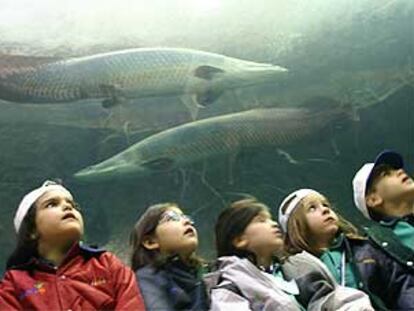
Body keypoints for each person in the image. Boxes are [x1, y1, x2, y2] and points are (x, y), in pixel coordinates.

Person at [206, 197, 373, 311]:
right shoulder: (229, 285)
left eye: (271, 219)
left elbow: (329, 298)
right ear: (239, 240)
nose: (272, 224)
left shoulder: (299, 265)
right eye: (261, 220)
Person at [0, 180, 145, 310]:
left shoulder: (108, 264)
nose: (67, 207)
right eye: (52, 204)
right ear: (31, 230)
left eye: (73, 205)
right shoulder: (14, 282)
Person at [279, 188, 414, 310]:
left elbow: (400, 287)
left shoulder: (366, 248)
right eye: (312, 208)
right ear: (296, 226)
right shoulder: (291, 271)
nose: (325, 210)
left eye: (325, 205)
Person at [130, 202, 209, 311]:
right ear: (150, 242)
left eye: (186, 217)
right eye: (172, 218)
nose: (187, 222)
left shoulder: (203, 273)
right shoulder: (147, 278)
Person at [353, 149, 414, 250]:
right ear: (373, 199)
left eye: (395, 169)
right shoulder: (377, 249)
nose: (400, 171)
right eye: (386, 174)